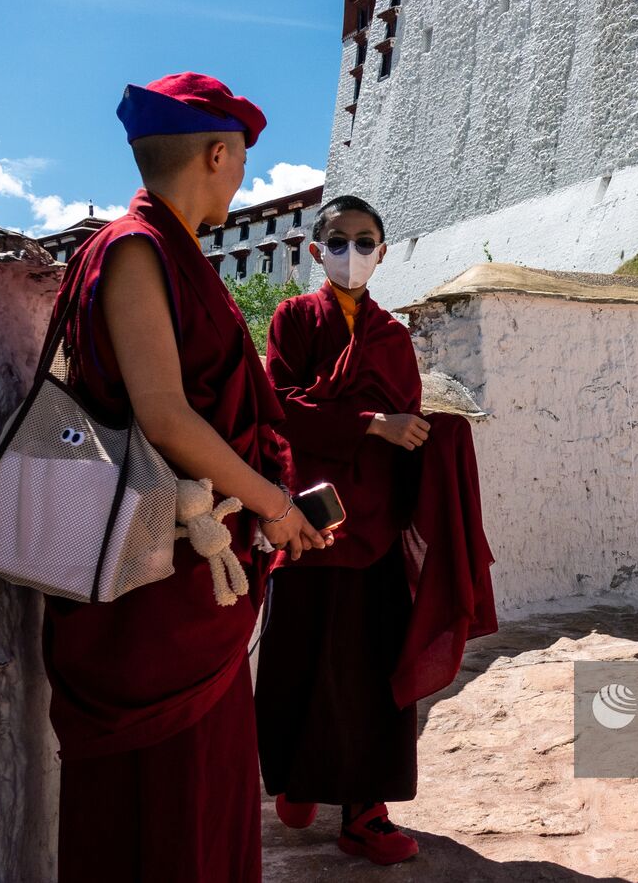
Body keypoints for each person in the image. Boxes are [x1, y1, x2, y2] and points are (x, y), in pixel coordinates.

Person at [42, 72, 331, 883]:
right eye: (239, 163)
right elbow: (164, 414)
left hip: (191, 581)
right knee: (161, 798)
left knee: (207, 791)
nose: (241, 181)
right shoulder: (135, 250)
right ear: (216, 154)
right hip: (151, 588)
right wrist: (274, 503)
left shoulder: (171, 254)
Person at [255, 194, 497, 865]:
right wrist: (370, 422)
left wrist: (429, 437)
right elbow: (282, 408)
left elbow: (406, 423)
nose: (352, 253)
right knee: (299, 666)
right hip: (311, 518)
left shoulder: (390, 336)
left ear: (383, 252)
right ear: (315, 250)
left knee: (369, 677)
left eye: (365, 241)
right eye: (339, 240)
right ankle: (299, 781)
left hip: (376, 529)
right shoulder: (295, 319)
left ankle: (365, 813)